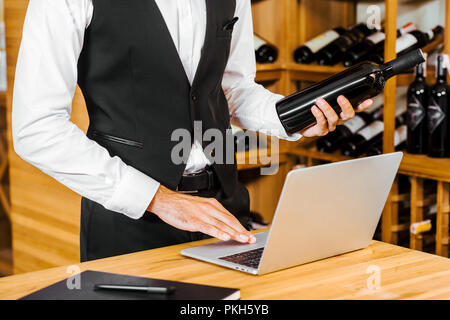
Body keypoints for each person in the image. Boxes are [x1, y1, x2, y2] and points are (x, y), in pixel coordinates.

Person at [12, 0, 373, 262]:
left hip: (224, 208)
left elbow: (232, 89)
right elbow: (37, 127)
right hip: (128, 222)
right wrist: (158, 199)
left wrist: (294, 118)